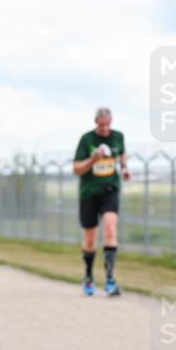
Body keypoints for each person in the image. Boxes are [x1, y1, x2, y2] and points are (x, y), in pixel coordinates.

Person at [72, 107, 129, 296]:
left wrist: (125, 167)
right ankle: (88, 276)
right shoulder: (87, 139)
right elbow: (77, 168)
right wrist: (92, 158)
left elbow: (122, 154)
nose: (105, 128)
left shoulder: (118, 137)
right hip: (89, 192)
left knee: (111, 230)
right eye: (101, 124)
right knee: (90, 237)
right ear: (96, 122)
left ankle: (110, 279)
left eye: (108, 124)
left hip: (110, 190)